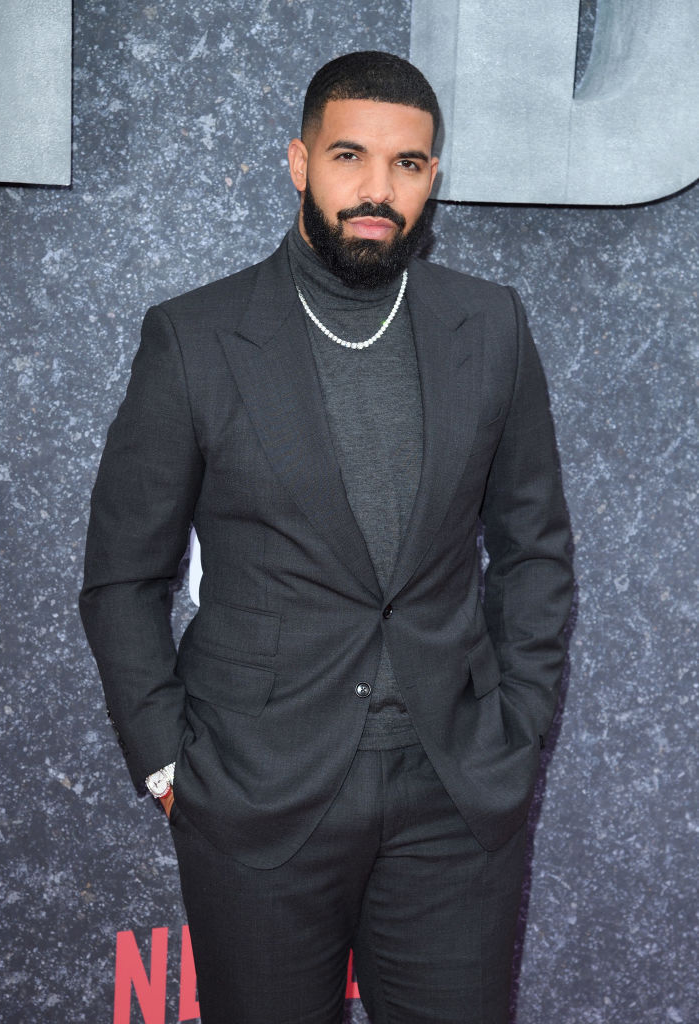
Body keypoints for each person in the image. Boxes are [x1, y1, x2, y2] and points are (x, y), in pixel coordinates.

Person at [80, 50, 573, 1024]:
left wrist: (512, 737)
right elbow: (121, 576)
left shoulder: (491, 326)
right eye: (350, 156)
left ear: (434, 177)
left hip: (454, 798)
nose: (376, 189)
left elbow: (534, 552)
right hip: (257, 794)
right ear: (298, 162)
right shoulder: (195, 336)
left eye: (408, 164)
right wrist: (172, 770)